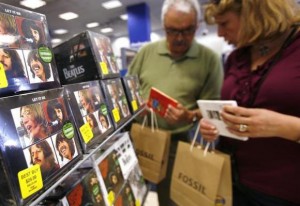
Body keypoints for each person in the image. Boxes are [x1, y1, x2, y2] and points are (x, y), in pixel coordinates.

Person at [200, 0, 300, 205]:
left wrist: (285, 127)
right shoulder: (236, 58)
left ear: (253, 15)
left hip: (285, 192)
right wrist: (215, 124)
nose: (219, 33)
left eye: (225, 23)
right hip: (231, 183)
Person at [128, 0, 223, 205]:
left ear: (197, 26)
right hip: (141, 135)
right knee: (131, 193)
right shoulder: (146, 52)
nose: (179, 38)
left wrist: (189, 115)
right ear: (164, 26)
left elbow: (212, 107)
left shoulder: (209, 59)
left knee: (172, 199)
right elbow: (127, 89)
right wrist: (136, 105)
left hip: (178, 143)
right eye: (172, 31)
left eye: (187, 30)